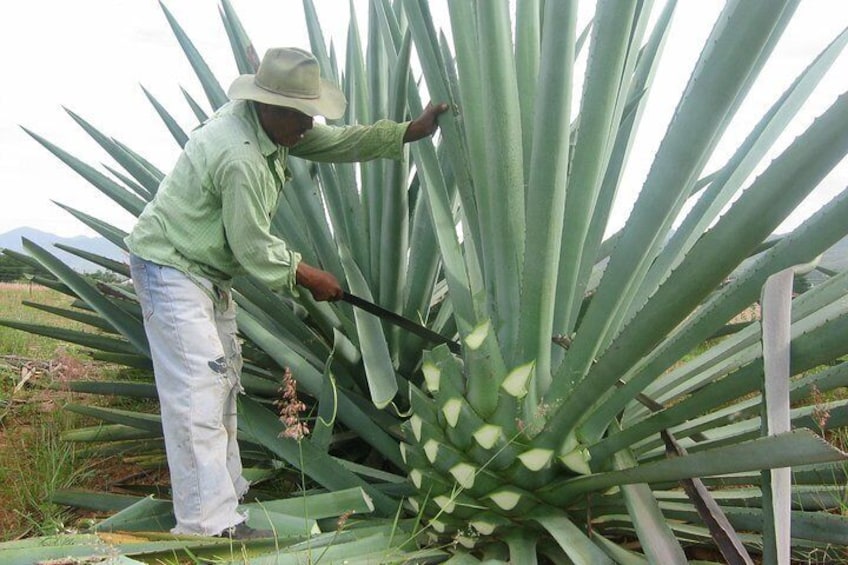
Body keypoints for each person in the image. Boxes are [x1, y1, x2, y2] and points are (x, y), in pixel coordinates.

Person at [125, 47, 447, 539]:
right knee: (198, 390)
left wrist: (405, 132)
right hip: (170, 269)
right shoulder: (241, 158)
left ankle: (225, 498)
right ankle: (205, 525)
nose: (308, 127)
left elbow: (332, 142)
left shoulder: (270, 124)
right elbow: (253, 248)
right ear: (270, 108)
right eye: (302, 117)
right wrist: (309, 275)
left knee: (223, 377)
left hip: (206, 272)